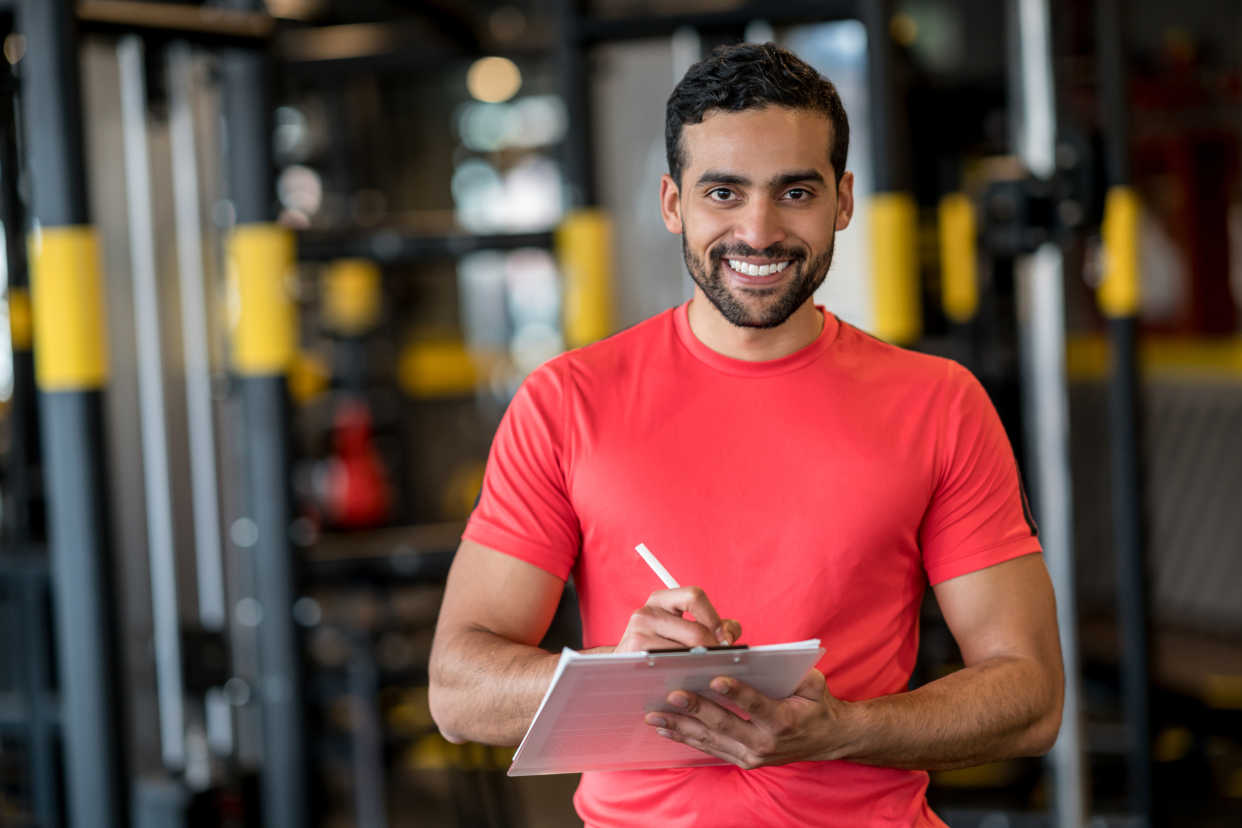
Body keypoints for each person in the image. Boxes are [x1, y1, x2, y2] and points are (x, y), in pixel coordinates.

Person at [429, 42, 1064, 827]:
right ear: (672, 204)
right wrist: (615, 674)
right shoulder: (567, 401)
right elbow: (458, 694)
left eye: (794, 191)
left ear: (843, 200)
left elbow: (1031, 696)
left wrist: (845, 733)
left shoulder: (939, 402)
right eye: (722, 193)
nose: (758, 232)